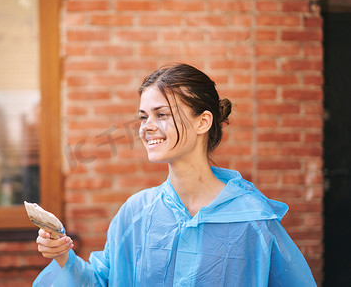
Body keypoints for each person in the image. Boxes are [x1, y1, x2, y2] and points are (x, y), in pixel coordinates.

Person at [34, 63, 317, 286]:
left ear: (203, 122)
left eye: (162, 114)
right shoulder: (135, 214)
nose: (146, 127)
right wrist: (62, 256)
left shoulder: (253, 221)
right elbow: (101, 283)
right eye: (144, 116)